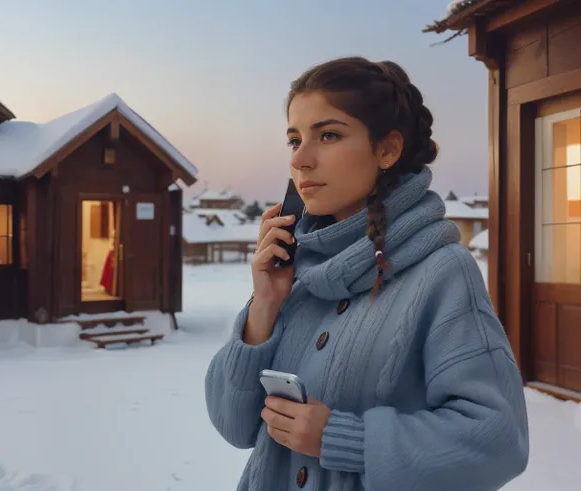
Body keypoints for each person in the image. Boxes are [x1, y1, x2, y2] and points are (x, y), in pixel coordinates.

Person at [204, 56, 529, 491]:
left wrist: (344, 440)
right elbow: (233, 424)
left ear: (387, 150)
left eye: (329, 135)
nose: (300, 159)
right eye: (294, 139)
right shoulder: (293, 270)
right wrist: (263, 303)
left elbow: (499, 441)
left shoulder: (443, 273)